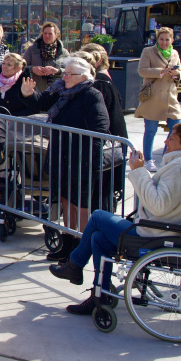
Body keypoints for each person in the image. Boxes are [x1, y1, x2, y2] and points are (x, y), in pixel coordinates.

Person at [50, 123, 181, 314]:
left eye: (172, 138)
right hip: (160, 229)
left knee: (98, 216)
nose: (166, 141)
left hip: (155, 234)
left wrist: (139, 171)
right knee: (98, 239)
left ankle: (75, 265)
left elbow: (158, 204)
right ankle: (99, 294)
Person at [20, 56, 109, 258]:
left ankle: (82, 248)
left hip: (81, 158)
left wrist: (87, 156)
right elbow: (41, 102)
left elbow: (100, 127)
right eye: (65, 72)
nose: (65, 76)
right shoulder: (61, 91)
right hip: (61, 155)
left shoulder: (92, 95)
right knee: (66, 200)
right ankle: (69, 242)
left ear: (83, 77)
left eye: (70, 74)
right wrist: (27, 93)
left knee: (81, 204)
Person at [135, 26, 181, 171]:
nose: (164, 42)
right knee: (151, 130)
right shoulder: (148, 51)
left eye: (167, 39)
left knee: (177, 128)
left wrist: (177, 74)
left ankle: (166, 157)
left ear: (172, 40)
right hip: (153, 97)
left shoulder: (174, 53)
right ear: (157, 39)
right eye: (161, 39)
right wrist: (161, 71)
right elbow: (141, 71)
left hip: (170, 98)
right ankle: (148, 159)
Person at [21, 21, 67, 93]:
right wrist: (33, 69)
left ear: (56, 35)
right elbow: (21, 67)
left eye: (50, 34)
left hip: (56, 91)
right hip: (34, 91)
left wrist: (57, 71)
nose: (47, 36)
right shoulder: (32, 50)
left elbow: (70, 71)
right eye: (45, 33)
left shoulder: (62, 52)